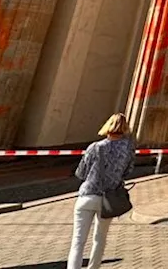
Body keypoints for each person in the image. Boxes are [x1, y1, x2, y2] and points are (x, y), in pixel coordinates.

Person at [68, 113, 136, 269]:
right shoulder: (128, 149)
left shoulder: (95, 147)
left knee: (78, 241)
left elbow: (81, 173)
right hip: (108, 199)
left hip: (87, 196)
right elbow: (128, 171)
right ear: (125, 128)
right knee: (99, 239)